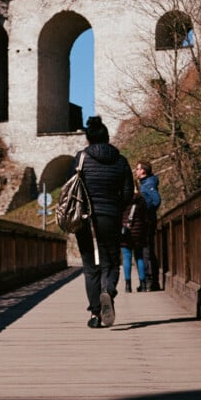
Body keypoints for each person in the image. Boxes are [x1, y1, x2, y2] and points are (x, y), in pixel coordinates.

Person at [68, 116, 134, 328]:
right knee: (112, 262)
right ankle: (109, 291)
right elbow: (127, 195)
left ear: (88, 139)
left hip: (85, 219)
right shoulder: (121, 161)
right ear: (107, 137)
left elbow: (70, 189)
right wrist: (116, 208)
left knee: (90, 267)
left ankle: (96, 313)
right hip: (110, 218)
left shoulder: (81, 159)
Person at [135, 160, 161, 291]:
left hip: (147, 221)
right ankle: (149, 280)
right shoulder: (145, 184)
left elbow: (156, 200)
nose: (136, 171)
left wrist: (145, 211)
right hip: (146, 221)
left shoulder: (148, 184)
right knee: (146, 250)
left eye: (138, 169)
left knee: (147, 251)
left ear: (143, 171)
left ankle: (150, 281)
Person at [120, 192, 149, 292]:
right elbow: (146, 217)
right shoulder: (141, 199)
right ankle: (143, 284)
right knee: (139, 257)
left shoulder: (122, 198)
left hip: (125, 233)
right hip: (139, 232)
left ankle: (128, 286)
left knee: (126, 258)